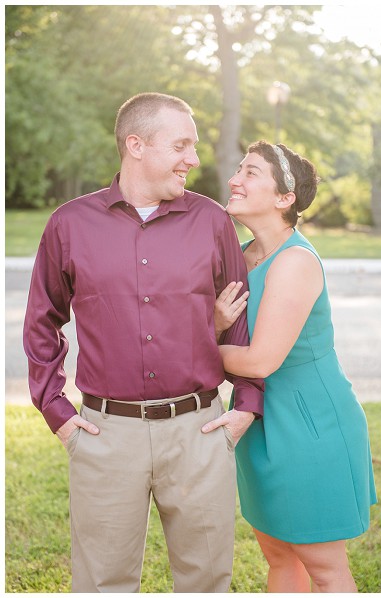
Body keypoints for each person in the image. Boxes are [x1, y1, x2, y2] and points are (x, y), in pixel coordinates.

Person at [22, 92, 264, 592]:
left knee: (206, 582)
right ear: (136, 145)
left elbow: (237, 317)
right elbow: (43, 321)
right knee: (101, 583)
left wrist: (247, 404)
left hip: (200, 431)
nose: (192, 160)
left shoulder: (213, 222)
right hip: (105, 436)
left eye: (193, 147)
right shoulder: (69, 224)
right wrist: (56, 411)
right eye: (180, 145)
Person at [213, 141, 377, 592]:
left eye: (250, 172)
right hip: (259, 423)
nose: (235, 180)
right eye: (238, 169)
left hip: (311, 426)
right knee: (280, 559)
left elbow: (261, 360)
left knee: (323, 568)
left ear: (284, 198)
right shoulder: (243, 257)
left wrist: (200, 349)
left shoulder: (296, 262)